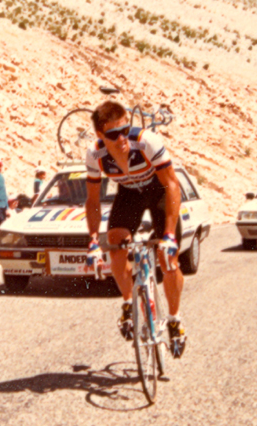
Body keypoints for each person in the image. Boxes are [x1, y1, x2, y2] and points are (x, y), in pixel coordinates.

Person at [84, 100, 187, 358]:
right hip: (129, 194)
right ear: (99, 135)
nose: (121, 138)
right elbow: (93, 201)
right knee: (116, 244)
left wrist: (170, 236)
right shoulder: (95, 154)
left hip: (159, 191)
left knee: (168, 259)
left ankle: (174, 320)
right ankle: (129, 304)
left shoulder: (146, 142)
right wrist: (94, 241)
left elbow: (172, 185)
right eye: (112, 134)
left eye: (124, 130)